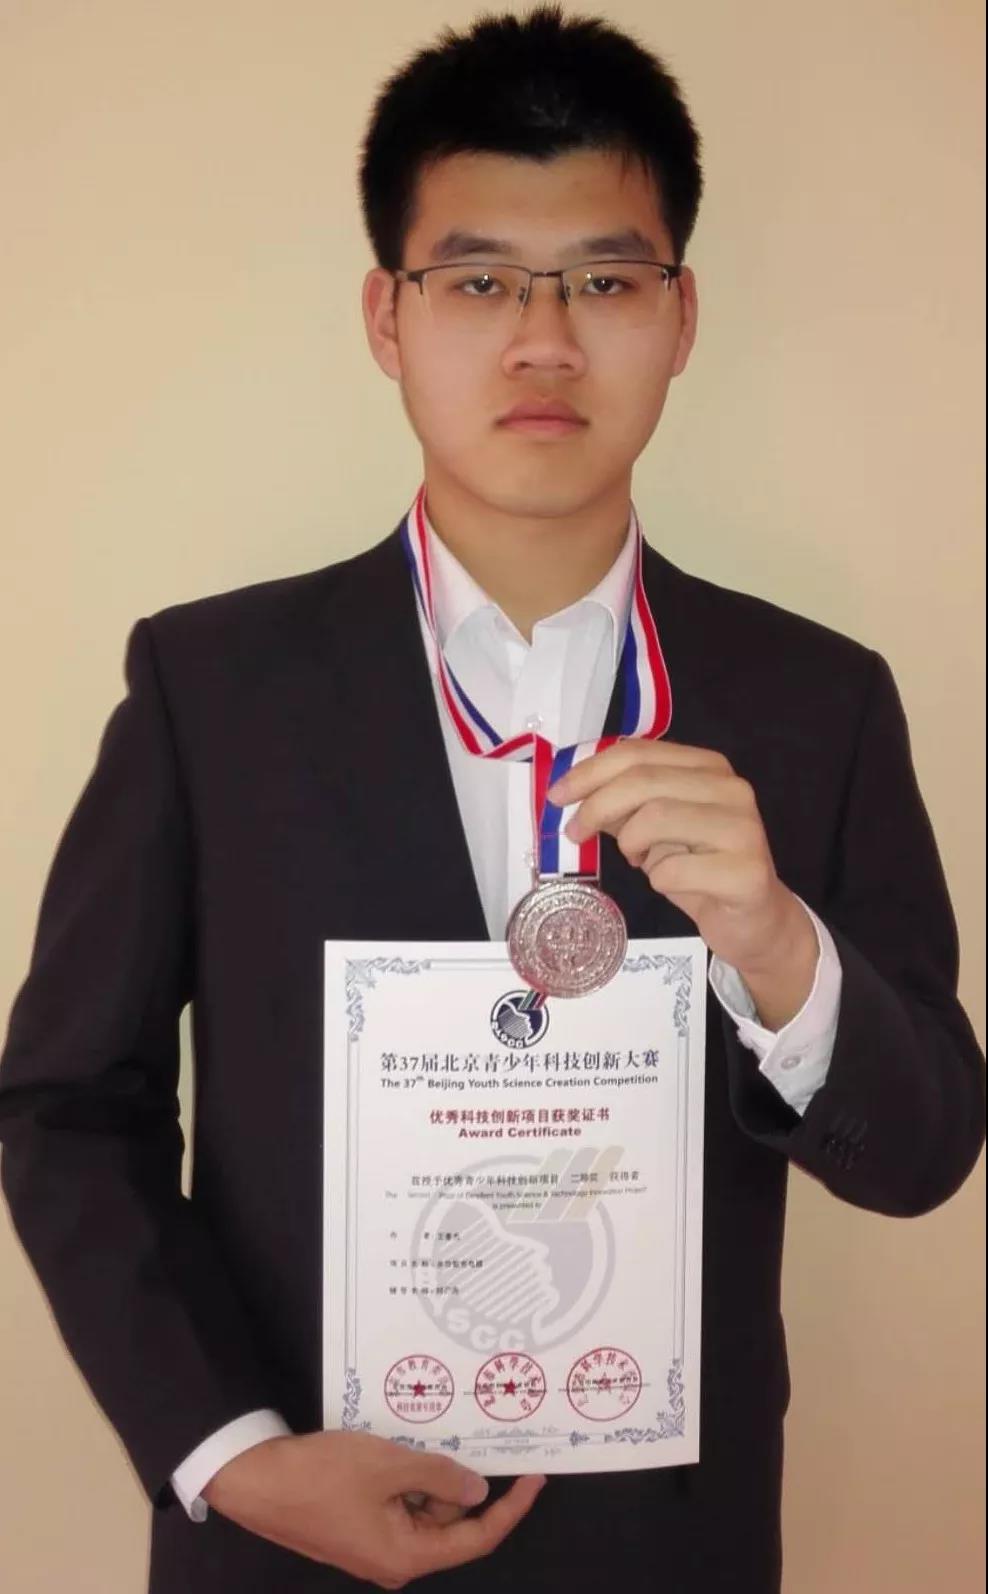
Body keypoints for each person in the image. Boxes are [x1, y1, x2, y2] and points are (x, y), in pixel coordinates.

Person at [0, 6, 983, 1592]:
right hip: (295, 1541)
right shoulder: (209, 687)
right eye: (477, 283)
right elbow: (68, 1108)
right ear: (386, 317)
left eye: (604, 280)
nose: (543, 341)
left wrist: (780, 949)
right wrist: (231, 1455)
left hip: (670, 1549)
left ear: (681, 314)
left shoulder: (819, 699)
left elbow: (922, 1150)